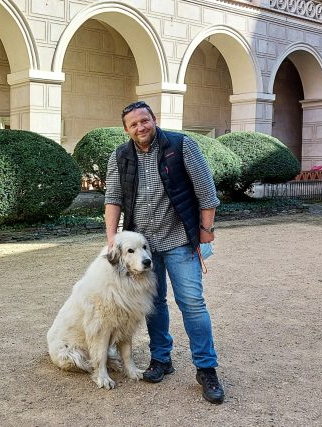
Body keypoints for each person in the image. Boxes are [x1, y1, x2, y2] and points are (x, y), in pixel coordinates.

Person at [104, 101, 224, 404]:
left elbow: (207, 193)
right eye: (133, 124)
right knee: (154, 306)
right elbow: (113, 199)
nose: (141, 127)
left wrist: (205, 235)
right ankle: (161, 359)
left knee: (192, 303)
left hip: (180, 239)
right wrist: (111, 242)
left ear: (153, 119)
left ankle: (206, 369)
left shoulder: (181, 145)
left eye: (145, 121)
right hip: (143, 248)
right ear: (126, 130)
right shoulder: (120, 156)